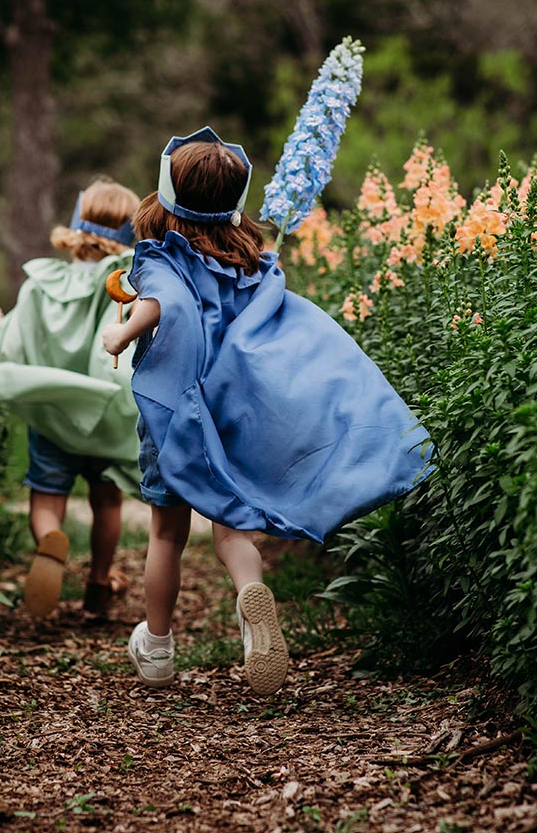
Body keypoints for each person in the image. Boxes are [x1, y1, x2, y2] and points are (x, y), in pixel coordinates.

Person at [101, 127, 433, 696]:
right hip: (231, 414)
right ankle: (251, 600)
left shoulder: (160, 260)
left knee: (166, 533)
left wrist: (121, 333)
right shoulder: (248, 259)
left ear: (164, 197)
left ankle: (156, 647)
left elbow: (164, 304)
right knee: (234, 528)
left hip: (175, 419)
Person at [0, 178, 141, 623]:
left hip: (51, 411)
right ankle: (98, 583)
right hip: (105, 414)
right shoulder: (124, 286)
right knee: (107, 502)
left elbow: (12, 341)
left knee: (47, 495)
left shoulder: (39, 283)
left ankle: (50, 538)